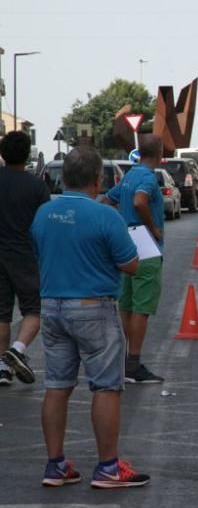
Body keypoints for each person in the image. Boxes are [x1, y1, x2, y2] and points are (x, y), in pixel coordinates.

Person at [31, 147, 150, 488]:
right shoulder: (105, 216)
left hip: (51, 306)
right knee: (107, 387)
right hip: (92, 308)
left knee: (56, 386)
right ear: (98, 180)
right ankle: (108, 467)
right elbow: (130, 263)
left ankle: (55, 465)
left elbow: (40, 251)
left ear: (64, 177)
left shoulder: (44, 213)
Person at [104, 135, 165, 384]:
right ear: (159, 152)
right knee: (142, 306)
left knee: (127, 304)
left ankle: (126, 359)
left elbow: (108, 199)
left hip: (126, 244)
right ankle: (134, 363)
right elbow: (141, 201)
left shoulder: (129, 175)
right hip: (146, 246)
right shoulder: (148, 177)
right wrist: (153, 228)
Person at [0, 131, 50, 387]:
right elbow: (44, 227)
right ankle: (17, 350)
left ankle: (2, 368)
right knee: (34, 309)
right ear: (27, 154)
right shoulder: (37, 186)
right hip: (24, 256)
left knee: (2, 314)